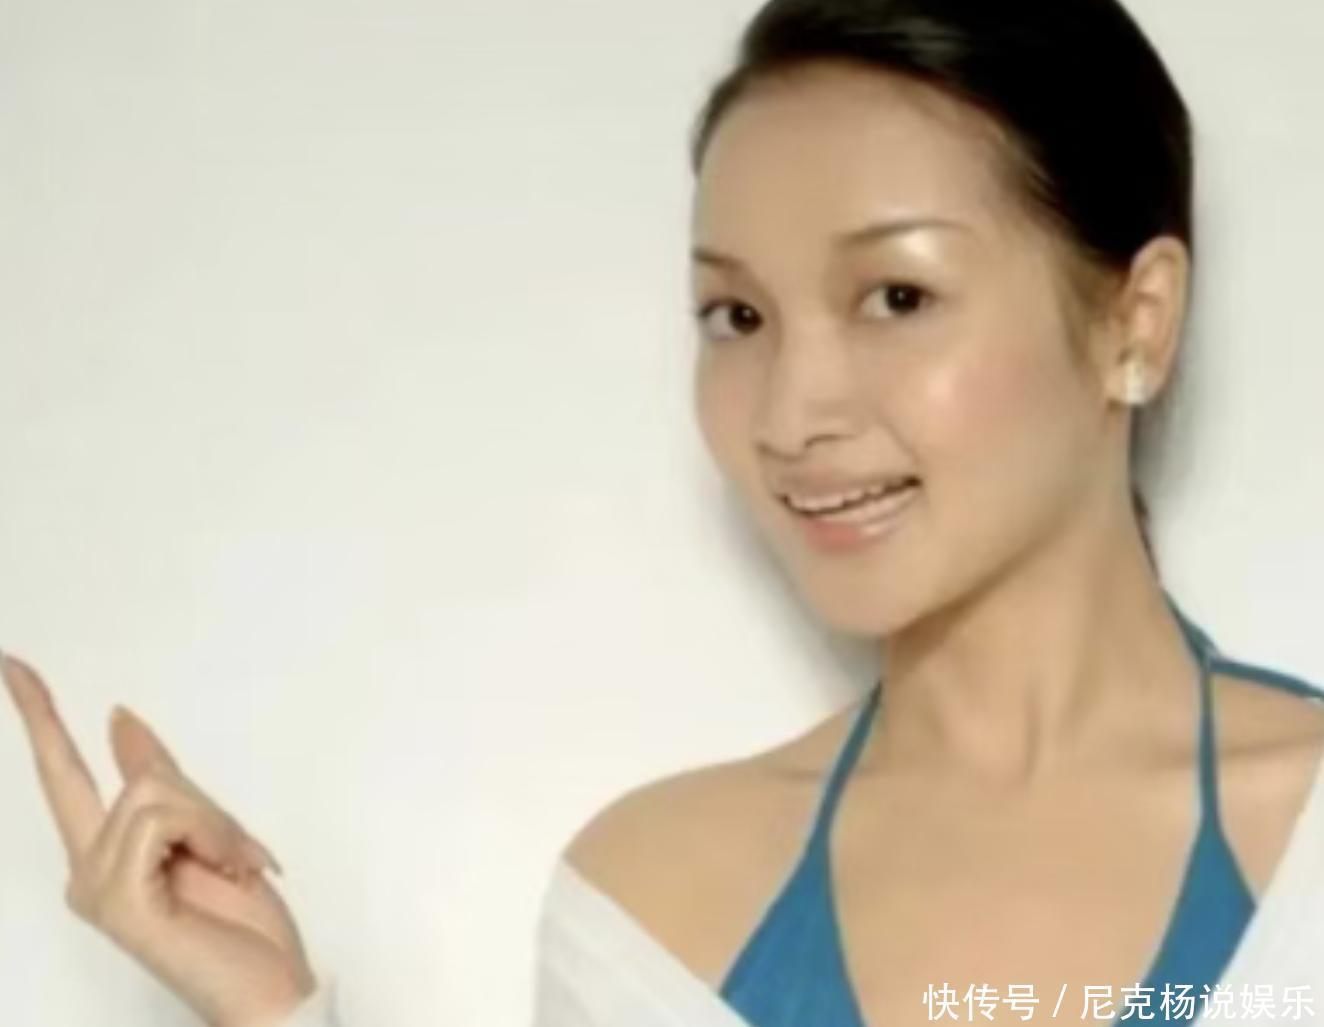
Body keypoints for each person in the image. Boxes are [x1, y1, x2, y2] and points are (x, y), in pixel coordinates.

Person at [6, 0, 1324, 1024]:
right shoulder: (656, 908)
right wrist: (275, 1013)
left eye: (896, 297)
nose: (789, 411)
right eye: (737, 316)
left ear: (1136, 323)